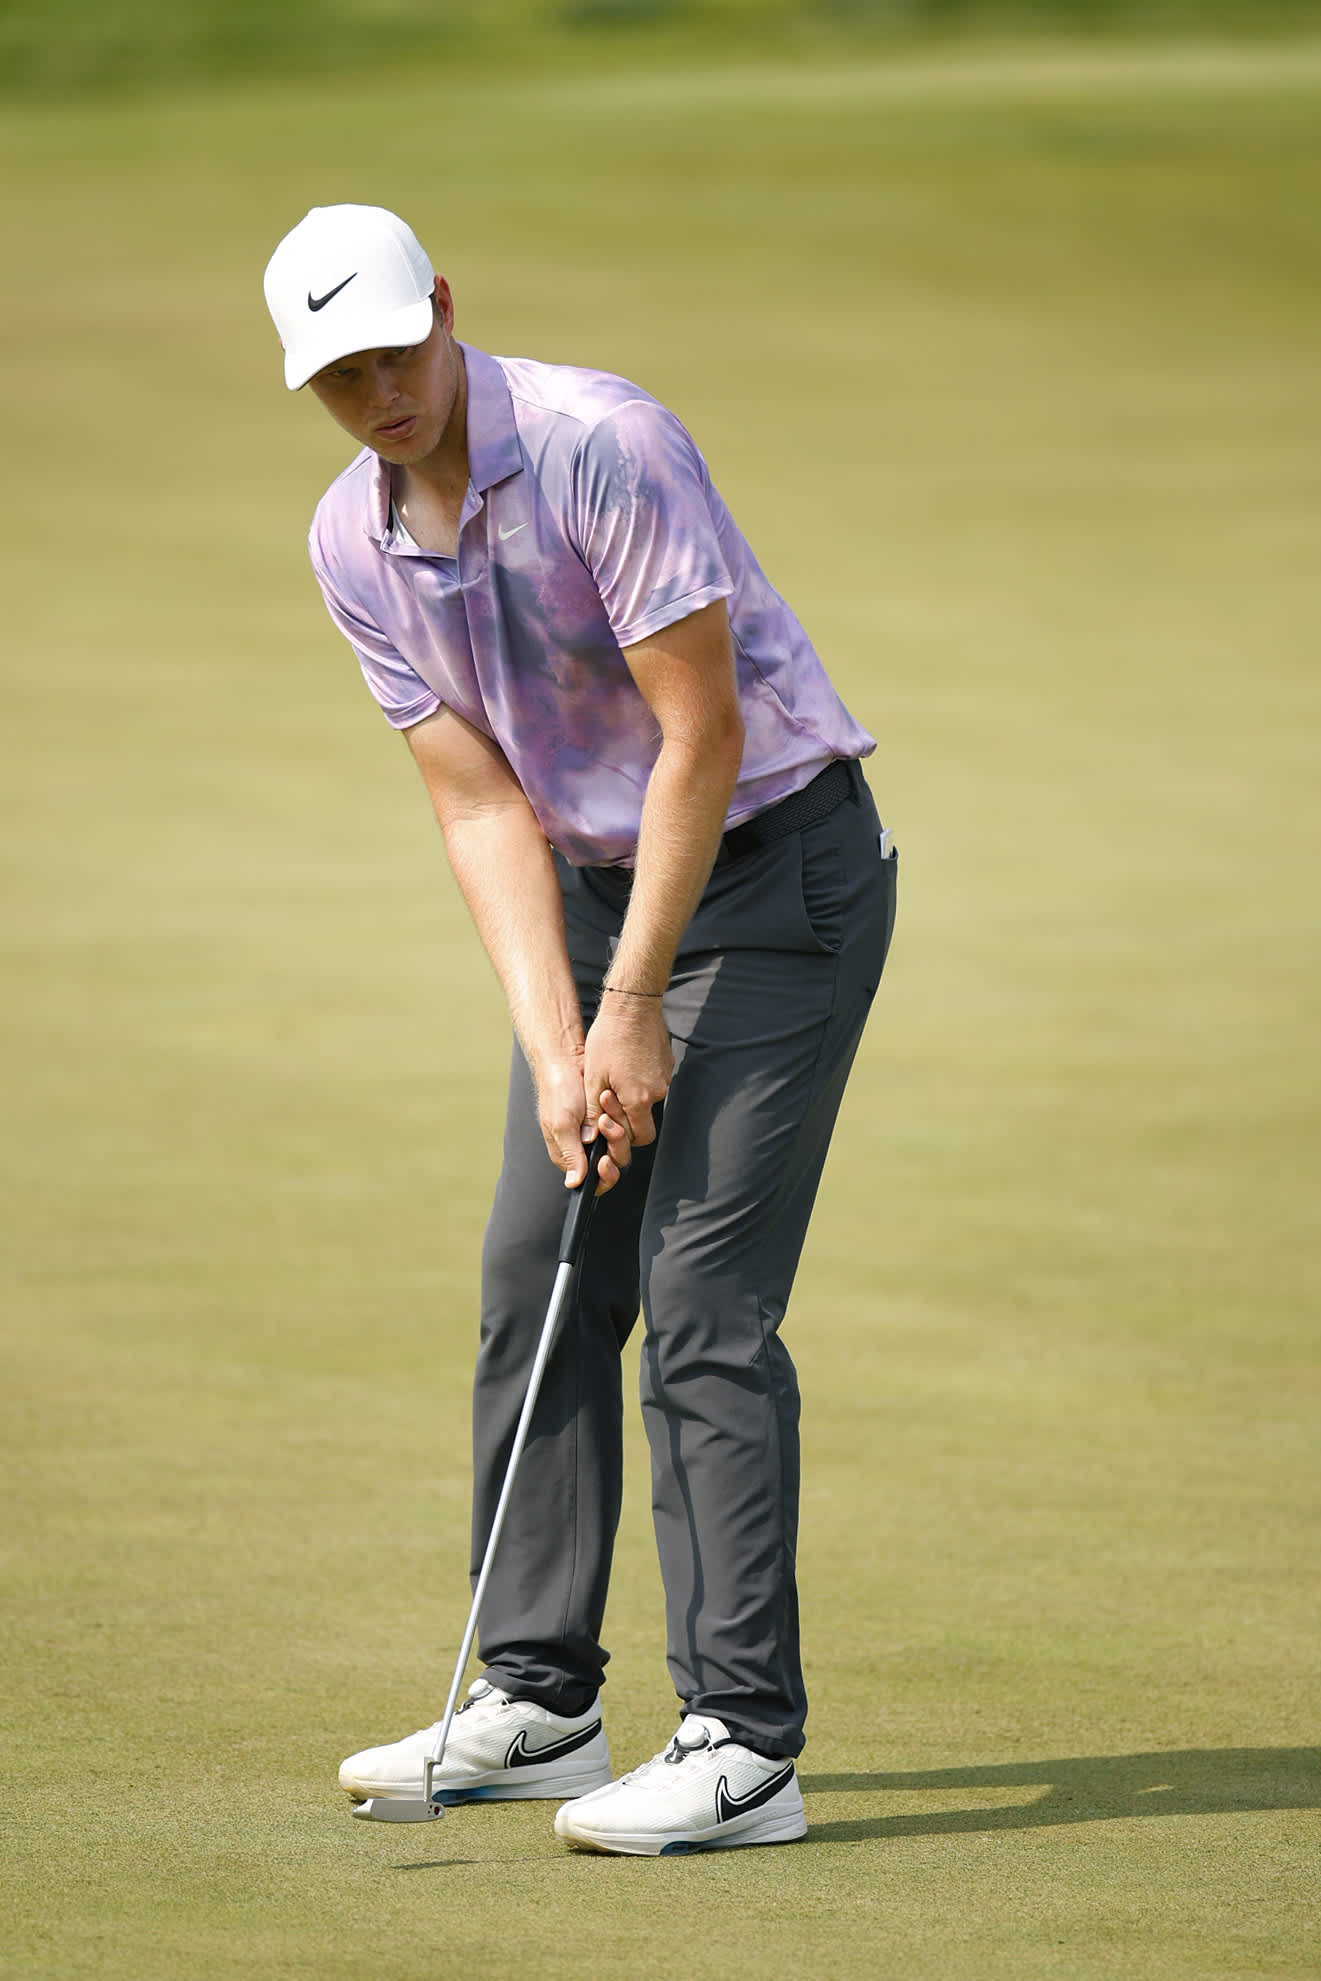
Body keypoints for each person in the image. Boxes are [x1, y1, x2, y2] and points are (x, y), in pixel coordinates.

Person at [262, 203, 898, 1856]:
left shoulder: (604, 444)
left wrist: (632, 1007)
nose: (378, 390)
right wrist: (563, 1039)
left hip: (771, 874)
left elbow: (701, 730)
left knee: (699, 1301)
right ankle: (541, 1698)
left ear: (445, 307)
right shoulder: (353, 538)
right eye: (337, 374)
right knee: (534, 1273)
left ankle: (745, 1741)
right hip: (598, 891)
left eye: (394, 348)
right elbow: (475, 802)